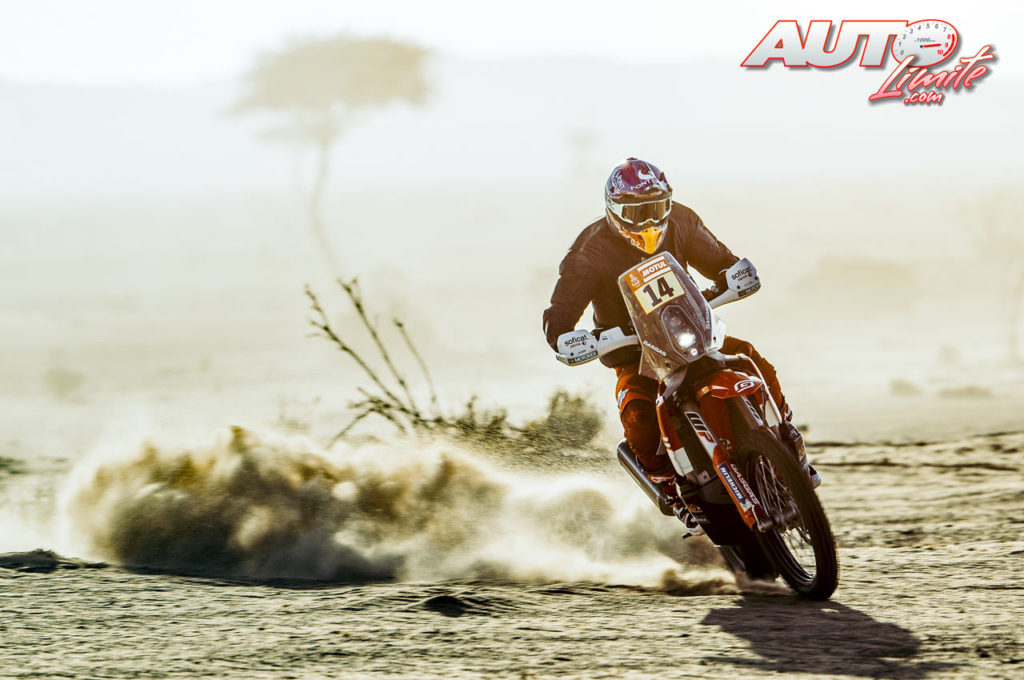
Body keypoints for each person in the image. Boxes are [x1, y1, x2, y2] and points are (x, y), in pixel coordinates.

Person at [543, 158, 817, 496]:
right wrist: (564, 337)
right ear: (614, 211)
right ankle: (670, 486)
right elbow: (561, 311)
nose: (649, 222)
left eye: (658, 208)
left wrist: (735, 273)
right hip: (634, 355)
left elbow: (721, 261)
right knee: (638, 417)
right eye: (637, 213)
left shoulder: (682, 220)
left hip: (694, 334)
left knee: (749, 358)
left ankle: (785, 433)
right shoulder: (589, 250)